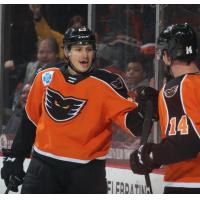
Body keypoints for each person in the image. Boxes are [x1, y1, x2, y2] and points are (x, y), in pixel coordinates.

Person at [1, 26, 158, 194]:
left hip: (86, 174)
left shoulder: (108, 83)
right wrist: (16, 157)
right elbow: (30, 120)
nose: (85, 55)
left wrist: (145, 110)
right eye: (78, 49)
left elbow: (134, 127)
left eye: (89, 49)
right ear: (67, 52)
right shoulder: (46, 75)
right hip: (42, 169)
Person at [130, 23, 200, 194]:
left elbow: (187, 144)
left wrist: (149, 156)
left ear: (167, 55)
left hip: (189, 183)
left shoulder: (177, 88)